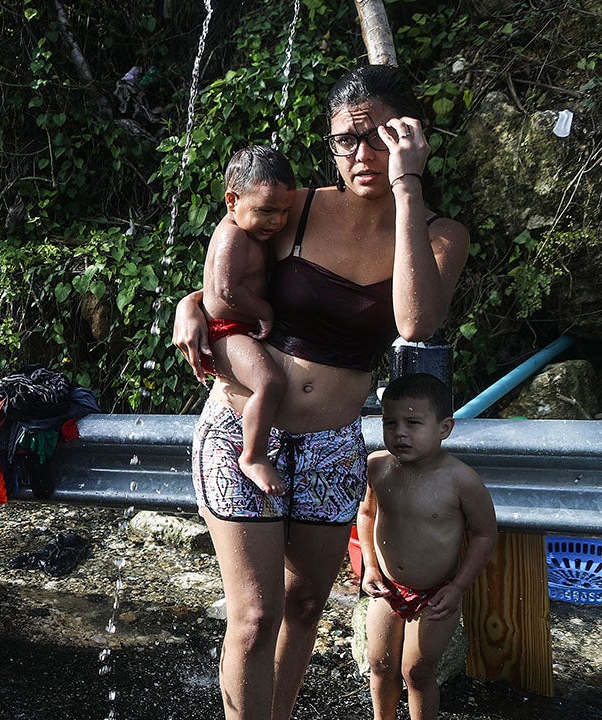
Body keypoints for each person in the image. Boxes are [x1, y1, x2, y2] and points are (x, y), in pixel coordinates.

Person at [170, 64, 470, 720]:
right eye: (344, 141)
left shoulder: (441, 234)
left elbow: (416, 321)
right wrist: (190, 301)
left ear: (411, 136)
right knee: (253, 616)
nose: (359, 154)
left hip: (333, 446)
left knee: (305, 606)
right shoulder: (294, 207)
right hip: (243, 426)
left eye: (378, 137)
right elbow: (230, 271)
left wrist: (407, 185)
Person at [358, 373, 496, 720]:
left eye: (413, 422)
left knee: (417, 672)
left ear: (444, 428)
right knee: (379, 665)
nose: (400, 432)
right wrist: (371, 567)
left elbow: (484, 534)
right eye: (391, 422)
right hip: (387, 588)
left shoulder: (460, 479)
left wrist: (458, 586)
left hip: (436, 593)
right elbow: (366, 513)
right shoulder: (377, 466)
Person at [199, 145, 295, 496]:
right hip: (225, 330)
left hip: (238, 328)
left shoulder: (253, 231)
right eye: (266, 211)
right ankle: (252, 456)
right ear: (232, 201)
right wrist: (265, 311)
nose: (277, 221)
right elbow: (225, 290)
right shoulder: (232, 235)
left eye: (284, 212)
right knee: (270, 382)